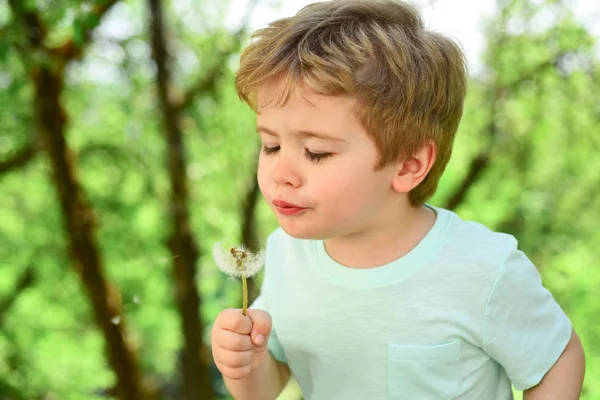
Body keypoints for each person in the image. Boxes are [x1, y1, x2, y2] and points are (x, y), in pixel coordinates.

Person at [210, 1, 586, 399]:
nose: (280, 172)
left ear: (409, 165)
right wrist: (244, 365)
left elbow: (557, 359)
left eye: (316, 152)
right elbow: (267, 386)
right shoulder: (288, 254)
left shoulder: (482, 269)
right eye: (270, 145)